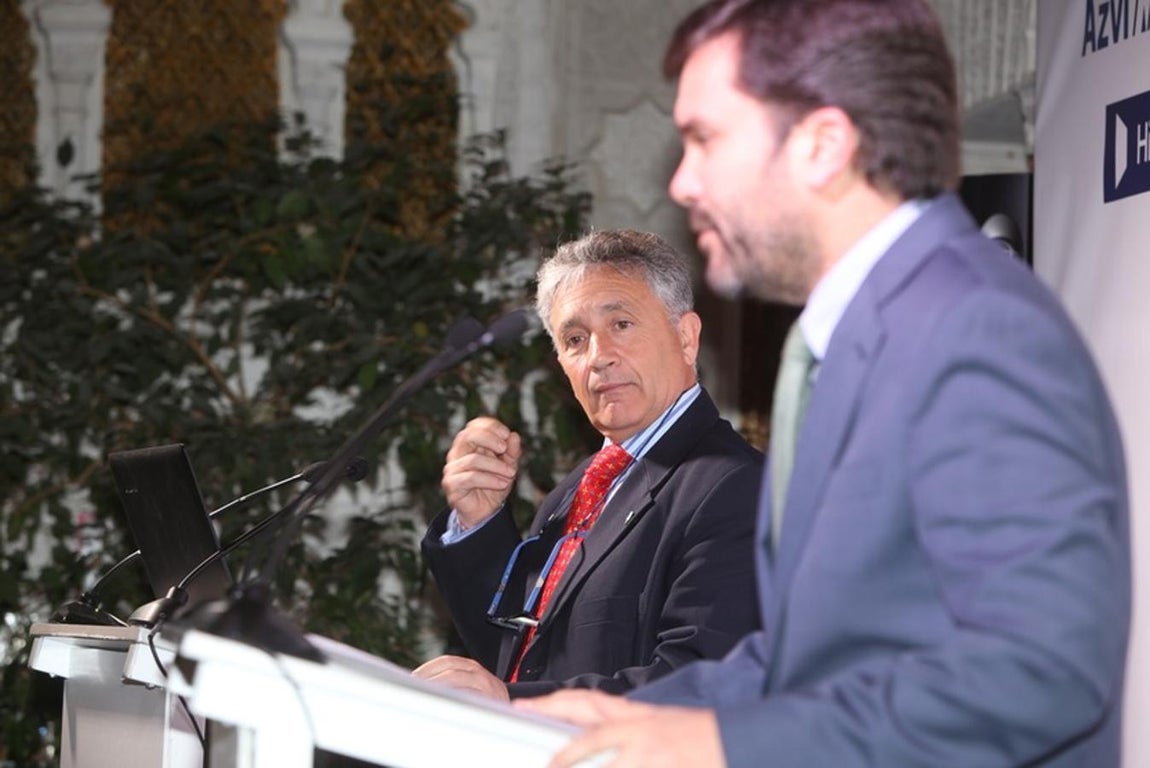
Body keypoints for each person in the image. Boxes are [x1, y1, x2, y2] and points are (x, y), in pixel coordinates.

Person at [519, 1, 1132, 766]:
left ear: (823, 144)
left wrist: (724, 742)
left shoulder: (977, 327)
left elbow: (1039, 673)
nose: (682, 182)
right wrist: (591, 720)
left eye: (705, 139)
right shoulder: (833, 345)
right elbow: (799, 663)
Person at [415, 228, 763, 701]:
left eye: (621, 325)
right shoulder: (577, 490)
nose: (598, 358)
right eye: (575, 339)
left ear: (686, 337)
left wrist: (514, 703)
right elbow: (517, 656)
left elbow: (699, 683)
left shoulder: (736, 486)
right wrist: (478, 524)